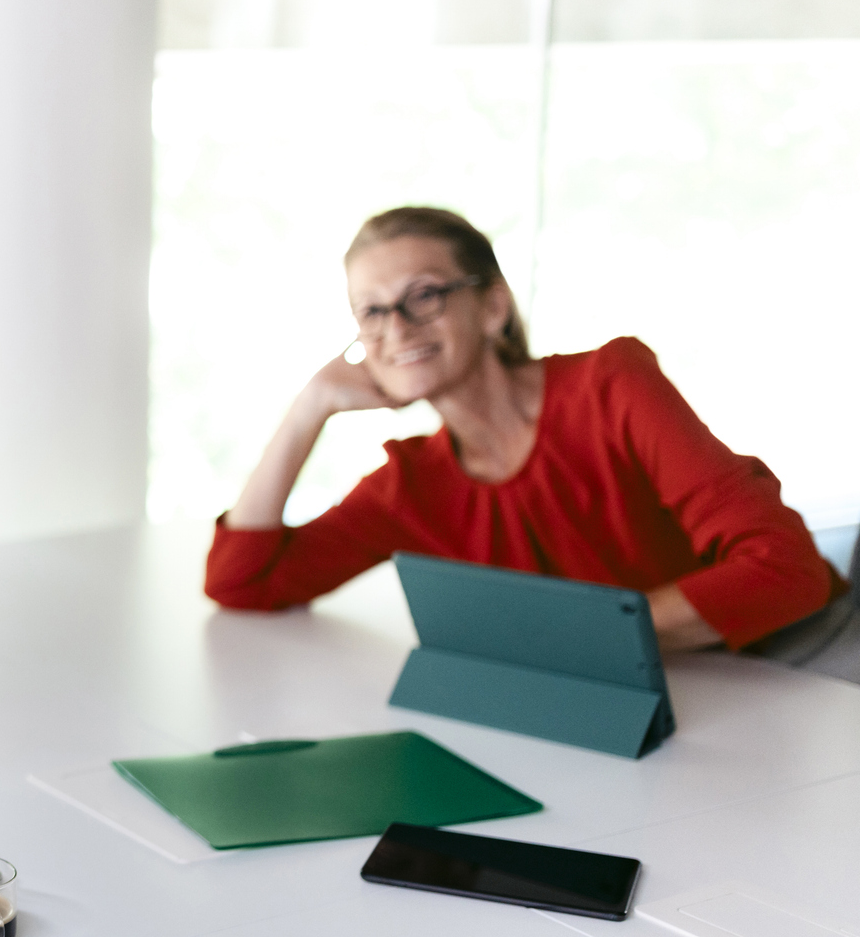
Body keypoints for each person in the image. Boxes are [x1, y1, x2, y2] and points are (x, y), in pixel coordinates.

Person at [206, 206, 855, 676]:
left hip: (798, 653)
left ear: (492, 307)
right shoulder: (410, 487)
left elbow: (783, 572)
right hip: (654, 689)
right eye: (371, 311)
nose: (396, 329)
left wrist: (566, 640)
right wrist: (307, 409)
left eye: (423, 296)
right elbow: (241, 584)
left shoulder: (611, 386)